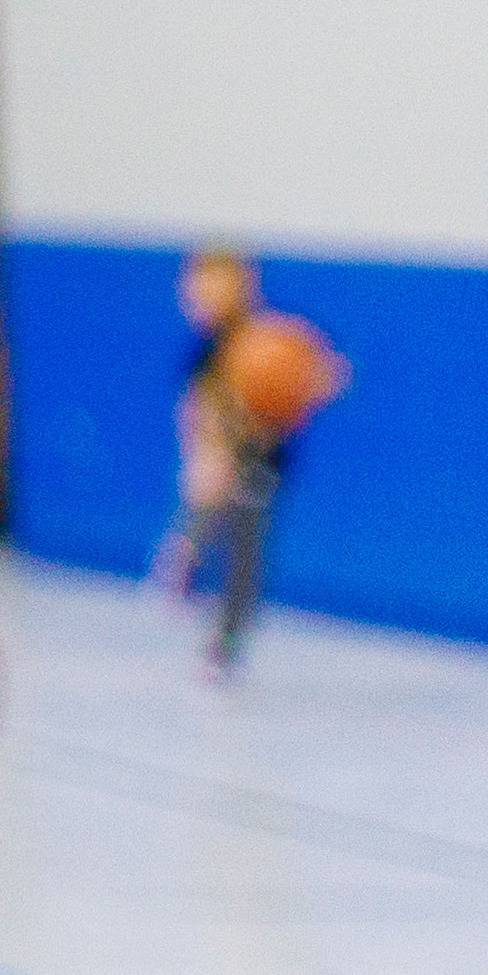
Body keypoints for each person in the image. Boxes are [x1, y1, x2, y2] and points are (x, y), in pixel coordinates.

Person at [161, 242, 334, 676]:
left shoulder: (268, 339)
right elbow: (196, 406)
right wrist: (201, 454)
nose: (205, 296)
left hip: (261, 464)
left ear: (243, 286)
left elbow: (316, 376)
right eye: (199, 287)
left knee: (245, 556)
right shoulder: (204, 348)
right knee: (204, 520)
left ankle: (225, 643)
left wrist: (312, 382)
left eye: (218, 285)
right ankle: (186, 562)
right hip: (219, 458)